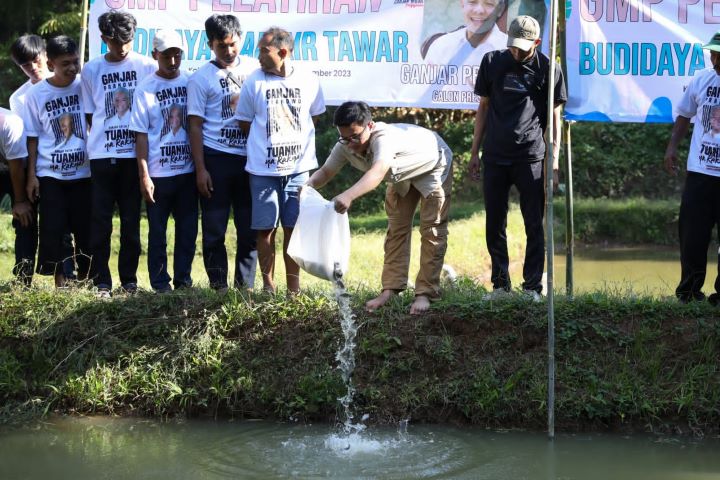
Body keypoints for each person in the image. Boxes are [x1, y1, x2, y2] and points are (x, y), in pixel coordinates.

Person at [307, 101, 453, 314]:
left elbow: (377, 171)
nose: (350, 144)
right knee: (396, 230)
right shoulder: (345, 144)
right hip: (400, 175)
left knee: (432, 230)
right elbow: (326, 172)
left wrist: (349, 195)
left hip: (431, 164)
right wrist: (307, 187)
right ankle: (390, 289)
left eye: (355, 137)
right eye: (344, 138)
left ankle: (425, 293)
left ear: (370, 126)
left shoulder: (383, 138)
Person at [469, 15, 566, 301]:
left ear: (536, 42)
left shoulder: (548, 68)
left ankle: (532, 288)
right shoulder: (492, 62)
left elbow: (555, 116)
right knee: (494, 222)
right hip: (495, 156)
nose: (517, 52)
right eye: (513, 46)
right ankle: (500, 285)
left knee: (534, 223)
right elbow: (483, 108)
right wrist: (475, 151)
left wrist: (554, 160)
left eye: (523, 48)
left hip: (530, 157)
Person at [235, 27, 326, 294]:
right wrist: (267, 146)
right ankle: (268, 286)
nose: (259, 56)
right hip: (263, 171)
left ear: (282, 52)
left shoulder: (309, 80)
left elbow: (315, 118)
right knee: (265, 230)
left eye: (264, 51)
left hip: (299, 171)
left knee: (292, 228)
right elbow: (244, 122)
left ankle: (293, 290)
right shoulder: (254, 81)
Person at [81, 11, 156, 296]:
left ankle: (129, 282)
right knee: (100, 222)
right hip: (101, 154)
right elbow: (90, 114)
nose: (122, 47)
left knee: (130, 223)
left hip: (133, 156)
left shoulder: (147, 66)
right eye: (115, 41)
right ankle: (101, 282)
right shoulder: (91, 69)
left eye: (127, 40)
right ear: (103, 39)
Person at [187, 14, 259, 292]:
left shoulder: (255, 69)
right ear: (210, 44)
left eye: (232, 44)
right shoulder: (200, 78)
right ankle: (218, 288)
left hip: (250, 159)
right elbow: (194, 125)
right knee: (215, 230)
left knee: (249, 228)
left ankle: (245, 289)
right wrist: (201, 169)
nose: (228, 51)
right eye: (221, 46)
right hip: (216, 159)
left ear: (241, 39)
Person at [131, 29, 198, 293]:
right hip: (158, 174)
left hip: (187, 172)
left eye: (177, 55)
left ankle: (184, 282)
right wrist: (144, 175)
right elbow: (140, 135)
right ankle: (160, 285)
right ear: (155, 55)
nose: (172, 62)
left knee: (188, 232)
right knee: (157, 234)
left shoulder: (190, 82)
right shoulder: (145, 88)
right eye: (167, 56)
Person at [23, 35, 92, 288]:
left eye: (76, 62)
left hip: (84, 173)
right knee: (55, 232)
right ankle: (62, 286)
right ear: (51, 64)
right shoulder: (36, 95)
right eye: (66, 64)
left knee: (85, 231)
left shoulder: (85, 85)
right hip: (51, 174)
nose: (73, 68)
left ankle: (86, 283)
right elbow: (32, 138)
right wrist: (32, 176)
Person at [664, 30, 720, 305]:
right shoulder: (702, 78)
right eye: (712, 52)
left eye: (717, 53)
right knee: (692, 235)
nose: (713, 56)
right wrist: (672, 147)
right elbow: (685, 115)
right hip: (701, 171)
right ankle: (689, 291)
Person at [0, 107, 35, 285]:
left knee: (25, 219)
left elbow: (16, 167)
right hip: (4, 163)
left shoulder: (10, 124)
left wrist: (20, 201)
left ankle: (23, 279)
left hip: (22, 167)